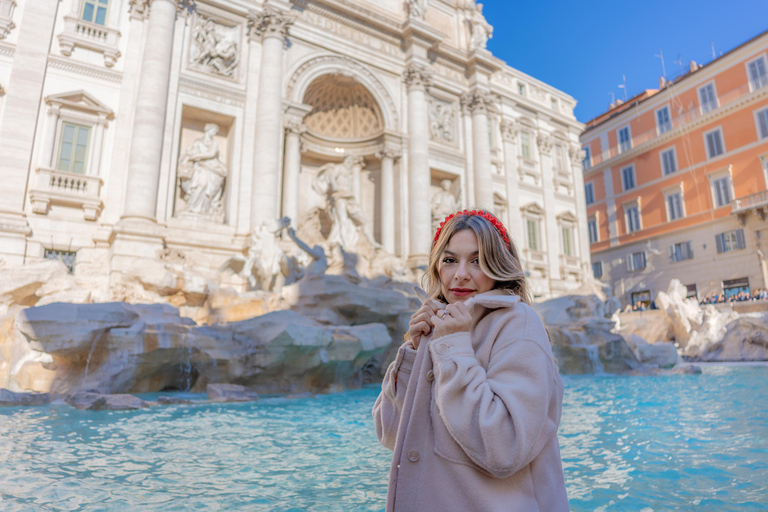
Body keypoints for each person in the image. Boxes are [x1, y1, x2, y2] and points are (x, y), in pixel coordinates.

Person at [372, 209, 569, 511]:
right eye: (450, 260)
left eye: (477, 261)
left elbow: (505, 448)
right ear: (437, 266)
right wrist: (413, 351)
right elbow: (390, 434)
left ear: (498, 266)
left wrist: (454, 347)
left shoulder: (519, 324)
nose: (460, 273)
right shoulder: (442, 322)